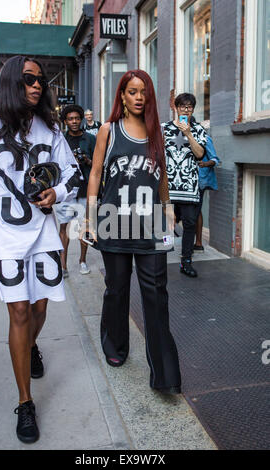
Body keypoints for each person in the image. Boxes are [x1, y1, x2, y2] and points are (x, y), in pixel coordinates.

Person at [0, 56, 80, 443]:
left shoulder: (50, 128)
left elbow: (73, 174)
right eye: (29, 79)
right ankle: (25, 403)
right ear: (12, 81)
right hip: (3, 233)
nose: (37, 86)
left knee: (39, 307)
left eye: (41, 80)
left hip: (44, 231)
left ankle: (31, 346)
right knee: (18, 310)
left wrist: (58, 193)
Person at [81, 70, 181, 394]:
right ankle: (116, 348)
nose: (139, 97)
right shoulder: (108, 131)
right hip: (114, 219)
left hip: (150, 223)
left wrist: (168, 207)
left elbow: (162, 174)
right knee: (117, 289)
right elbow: (95, 174)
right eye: (132, 91)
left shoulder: (157, 133)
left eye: (144, 92)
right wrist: (90, 217)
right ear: (122, 95)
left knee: (156, 296)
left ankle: (165, 375)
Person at [163, 93, 207, 278]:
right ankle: (159, 258)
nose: (186, 110)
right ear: (176, 108)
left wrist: (188, 133)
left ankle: (186, 261)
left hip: (189, 187)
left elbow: (199, 154)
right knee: (164, 224)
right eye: (182, 106)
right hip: (167, 186)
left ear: (193, 109)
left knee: (189, 224)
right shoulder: (163, 128)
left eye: (189, 107)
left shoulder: (198, 129)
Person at [55, 104, 96, 277]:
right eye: (70, 119)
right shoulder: (60, 140)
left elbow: (98, 166)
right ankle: (63, 266)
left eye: (77, 118)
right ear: (65, 121)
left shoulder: (90, 139)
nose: (74, 122)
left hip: (84, 189)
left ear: (81, 119)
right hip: (66, 190)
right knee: (64, 227)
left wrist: (87, 160)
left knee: (83, 227)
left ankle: (82, 261)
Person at [194, 133, 220, 251]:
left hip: (199, 181)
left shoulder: (204, 138)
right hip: (179, 182)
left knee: (196, 210)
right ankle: (166, 243)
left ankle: (198, 243)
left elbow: (215, 159)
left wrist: (204, 164)